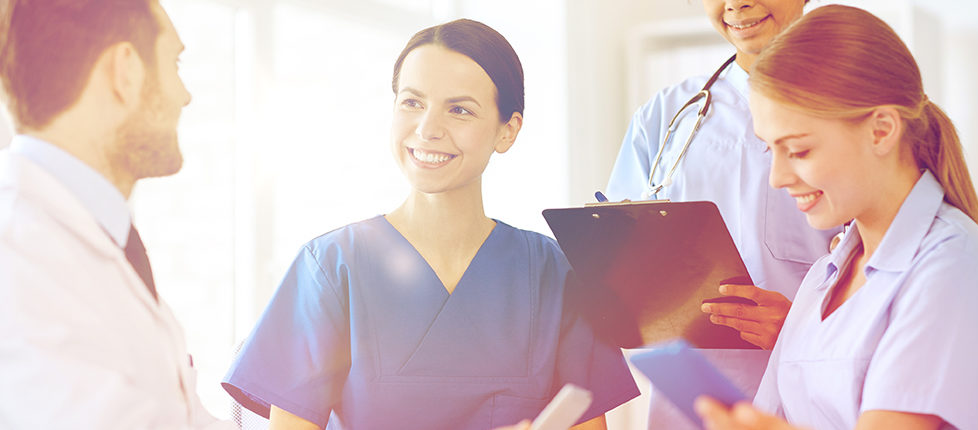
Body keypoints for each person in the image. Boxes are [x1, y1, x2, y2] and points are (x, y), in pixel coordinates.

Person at [222, 19, 640, 430]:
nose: (428, 129)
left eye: (459, 109)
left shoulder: (553, 274)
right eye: (412, 102)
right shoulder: (332, 267)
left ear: (507, 131)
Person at [696, 5, 978, 429]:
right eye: (769, 148)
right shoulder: (823, 278)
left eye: (798, 151)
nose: (778, 177)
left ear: (881, 130)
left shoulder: (954, 270)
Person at [604, 0, 837, 427]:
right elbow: (623, 271)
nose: (736, 4)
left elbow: (891, 282)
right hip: (689, 408)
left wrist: (802, 325)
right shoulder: (667, 115)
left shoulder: (854, 111)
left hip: (815, 400)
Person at [0, 0, 233, 428]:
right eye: (174, 63)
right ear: (125, 71)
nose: (185, 95)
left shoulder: (93, 234)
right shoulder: (17, 259)